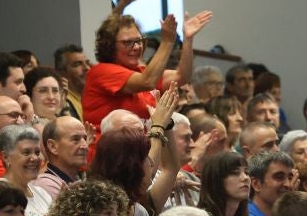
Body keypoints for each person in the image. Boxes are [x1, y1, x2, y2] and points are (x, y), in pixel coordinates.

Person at [81, 9, 211, 129]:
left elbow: (182, 76)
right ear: (109, 46)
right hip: (110, 152)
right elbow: (147, 82)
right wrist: (167, 42)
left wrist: (188, 39)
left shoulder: (141, 71)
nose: (137, 47)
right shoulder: (101, 71)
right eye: (128, 42)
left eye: (139, 41)